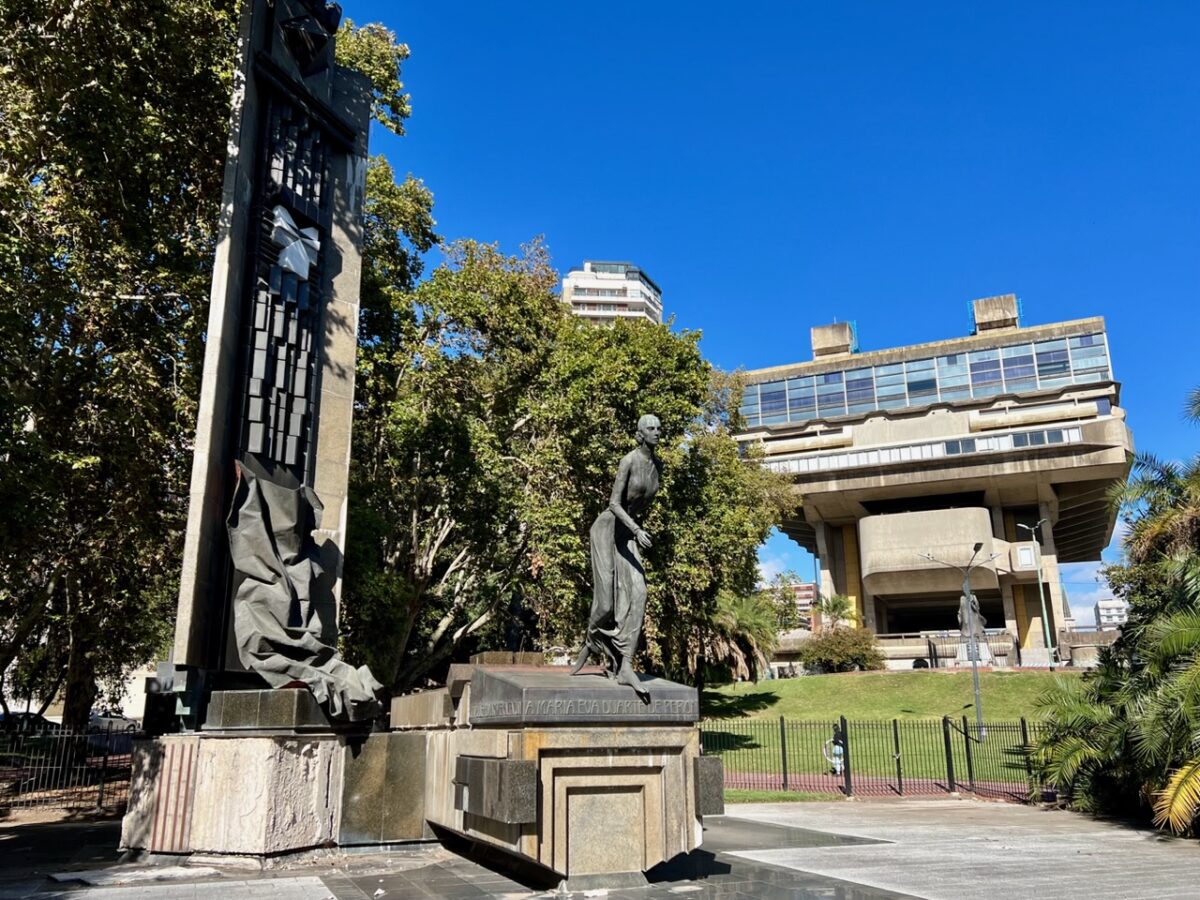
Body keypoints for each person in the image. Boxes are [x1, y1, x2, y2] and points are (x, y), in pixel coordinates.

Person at [570, 414, 663, 700]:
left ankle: (625, 665)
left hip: (627, 534)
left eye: (659, 428)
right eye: (651, 428)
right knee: (607, 604)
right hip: (608, 530)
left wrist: (634, 531)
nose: (657, 432)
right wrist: (636, 529)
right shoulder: (629, 461)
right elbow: (613, 503)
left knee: (639, 593)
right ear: (639, 434)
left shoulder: (658, 465)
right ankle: (591, 641)